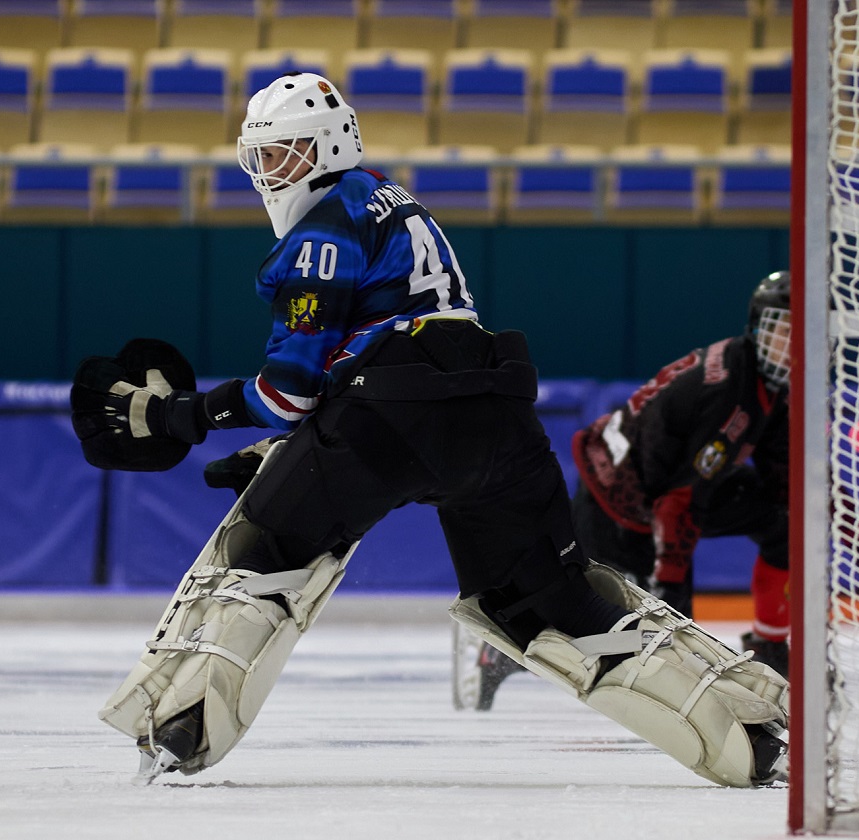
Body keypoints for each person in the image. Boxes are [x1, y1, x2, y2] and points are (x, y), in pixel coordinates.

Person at [70, 72, 789, 788]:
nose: (270, 173)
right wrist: (283, 448)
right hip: (496, 408)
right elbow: (381, 359)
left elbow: (292, 392)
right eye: (259, 156)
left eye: (285, 153)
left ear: (329, 146)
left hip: (389, 414)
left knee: (265, 550)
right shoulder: (391, 196)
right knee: (556, 604)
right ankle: (742, 716)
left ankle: (178, 723)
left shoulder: (319, 235)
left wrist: (183, 415)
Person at [474, 271, 793, 708]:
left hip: (667, 484)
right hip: (621, 499)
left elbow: (785, 482)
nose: (791, 346)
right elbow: (676, 503)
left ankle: (773, 644)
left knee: (783, 526)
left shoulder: (769, 386)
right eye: (783, 331)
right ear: (758, 328)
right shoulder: (727, 391)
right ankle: (507, 655)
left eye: (803, 334)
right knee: (632, 631)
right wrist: (673, 595)